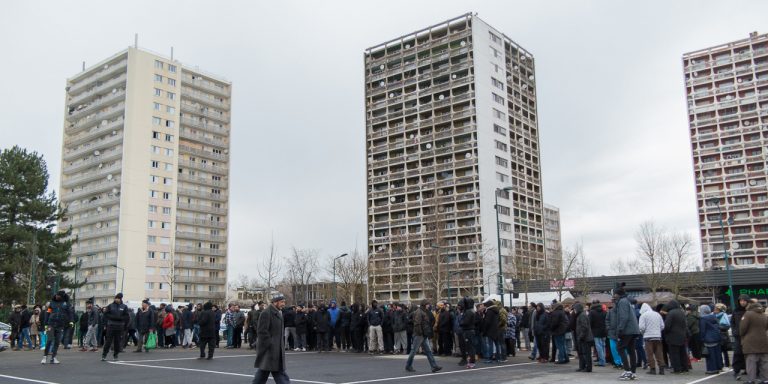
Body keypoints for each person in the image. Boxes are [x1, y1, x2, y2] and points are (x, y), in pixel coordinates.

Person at [253, 295, 290, 384]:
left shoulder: (278, 312)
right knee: (271, 370)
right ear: (275, 302)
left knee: (265, 371)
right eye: (282, 302)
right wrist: (270, 344)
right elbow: (262, 331)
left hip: (276, 349)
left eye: (284, 302)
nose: (283, 304)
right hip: (269, 349)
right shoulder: (266, 313)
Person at [405, 299, 442, 373]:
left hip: (422, 334)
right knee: (414, 351)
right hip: (419, 335)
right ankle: (408, 366)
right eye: (428, 304)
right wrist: (421, 333)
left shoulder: (422, 311)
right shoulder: (419, 312)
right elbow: (417, 324)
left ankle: (434, 366)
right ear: (424, 304)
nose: (429, 305)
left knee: (428, 351)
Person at [738, 300, 768, 384]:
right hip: (764, 341)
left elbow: (742, 329)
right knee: (764, 362)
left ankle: (751, 380)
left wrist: (742, 335)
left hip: (750, 342)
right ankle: (765, 379)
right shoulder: (764, 315)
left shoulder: (748, 314)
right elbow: (766, 327)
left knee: (751, 362)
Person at [41, 291, 74, 364]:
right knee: (49, 339)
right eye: (56, 295)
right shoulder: (51, 303)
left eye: (58, 295)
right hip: (51, 324)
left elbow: (70, 313)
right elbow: (48, 313)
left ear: (62, 296)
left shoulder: (66, 304)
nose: (56, 296)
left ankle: (53, 358)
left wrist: (71, 321)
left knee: (57, 341)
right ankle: (45, 356)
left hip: (60, 325)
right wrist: (45, 324)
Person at [614, 288, 640, 380]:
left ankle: (627, 371)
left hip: (627, 329)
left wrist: (620, 330)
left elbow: (623, 317)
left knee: (620, 347)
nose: (614, 296)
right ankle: (633, 372)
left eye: (615, 294)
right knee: (631, 350)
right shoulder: (628, 301)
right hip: (633, 329)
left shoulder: (622, 302)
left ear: (618, 294)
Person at [662, 300, 688, 374]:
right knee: (682, 353)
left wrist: (665, 333)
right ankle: (684, 367)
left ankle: (677, 368)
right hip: (682, 335)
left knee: (674, 353)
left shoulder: (671, 313)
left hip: (673, 336)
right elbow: (685, 324)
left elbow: (667, 326)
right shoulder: (682, 312)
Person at [101, 292, 128, 362]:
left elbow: (126, 316)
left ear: (120, 299)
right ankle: (104, 355)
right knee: (108, 341)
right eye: (116, 298)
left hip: (120, 326)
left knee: (117, 342)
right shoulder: (110, 306)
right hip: (111, 326)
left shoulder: (124, 306)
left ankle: (116, 355)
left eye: (118, 298)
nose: (116, 299)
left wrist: (122, 321)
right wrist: (112, 318)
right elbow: (106, 314)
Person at [638, 302, 664, 375]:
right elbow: (662, 326)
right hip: (658, 337)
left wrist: (643, 333)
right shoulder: (657, 314)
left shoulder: (643, 316)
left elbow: (641, 327)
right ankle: (662, 369)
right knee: (659, 353)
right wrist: (657, 331)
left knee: (649, 354)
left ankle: (653, 369)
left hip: (648, 337)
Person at [699, 305, 723, 374]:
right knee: (717, 353)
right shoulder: (713, 316)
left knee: (710, 354)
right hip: (716, 337)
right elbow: (718, 326)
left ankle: (711, 369)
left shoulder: (703, 319)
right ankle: (718, 367)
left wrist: (702, 338)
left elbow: (702, 330)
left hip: (708, 338)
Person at [731, 294, 750, 380]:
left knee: (749, 354)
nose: (742, 302)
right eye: (741, 301)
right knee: (738, 353)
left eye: (744, 301)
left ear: (747, 301)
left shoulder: (750, 310)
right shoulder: (736, 311)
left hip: (749, 336)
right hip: (738, 336)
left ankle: (748, 369)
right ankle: (736, 371)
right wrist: (735, 331)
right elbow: (732, 322)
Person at [574, 303, 593, 373]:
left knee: (586, 353)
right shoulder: (580, 315)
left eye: (575, 309)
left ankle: (588, 367)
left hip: (585, 338)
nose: (574, 310)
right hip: (583, 338)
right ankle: (582, 366)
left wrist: (581, 336)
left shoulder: (582, 315)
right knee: (581, 353)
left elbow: (584, 327)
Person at [589, 300, 607, 367]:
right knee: (603, 346)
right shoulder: (604, 312)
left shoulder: (592, 312)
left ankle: (602, 361)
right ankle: (603, 360)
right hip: (604, 331)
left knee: (598, 347)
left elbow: (590, 323)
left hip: (596, 332)